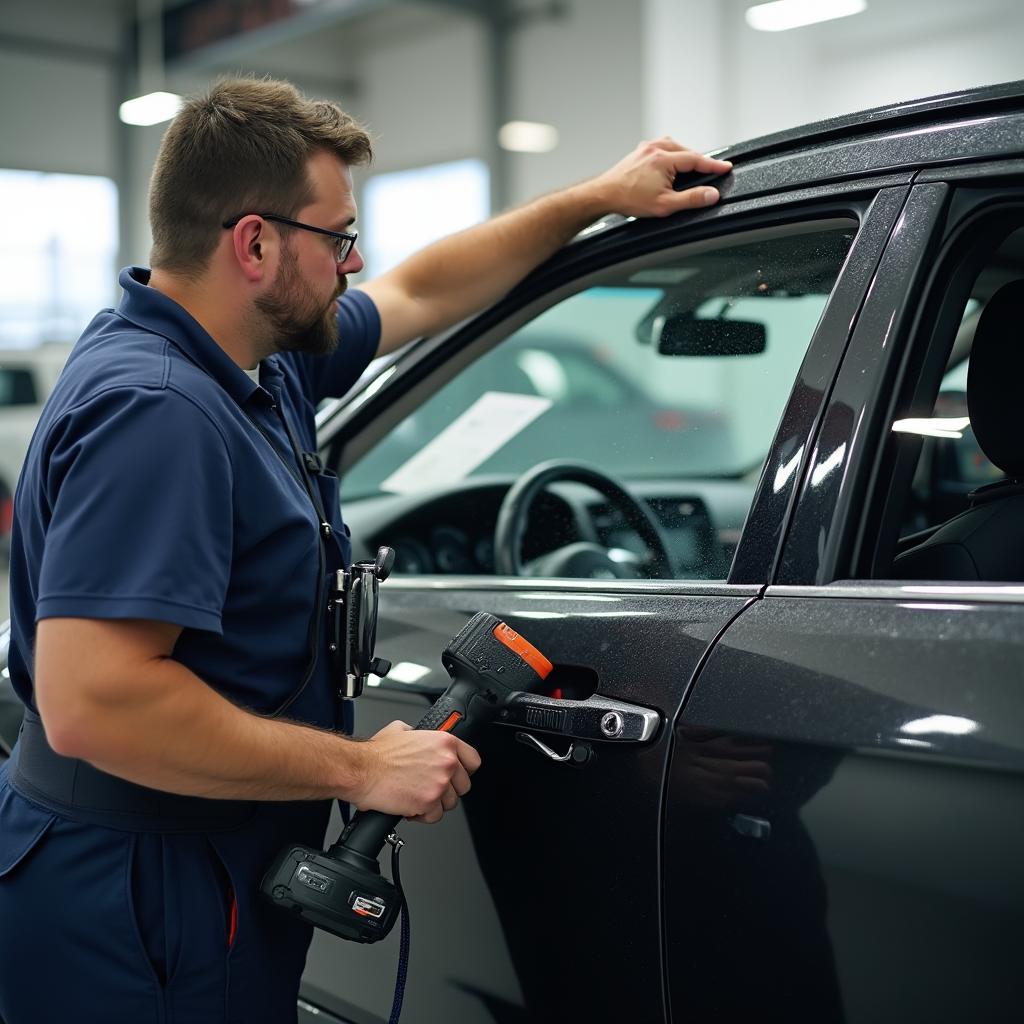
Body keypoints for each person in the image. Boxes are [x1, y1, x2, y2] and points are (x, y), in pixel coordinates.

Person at [0, 77, 731, 1023]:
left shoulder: (252, 358)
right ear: (255, 243)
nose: (355, 262)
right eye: (339, 237)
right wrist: (359, 769)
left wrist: (594, 200)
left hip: (186, 865)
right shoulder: (162, 414)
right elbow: (94, 702)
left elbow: (423, 289)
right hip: (142, 892)